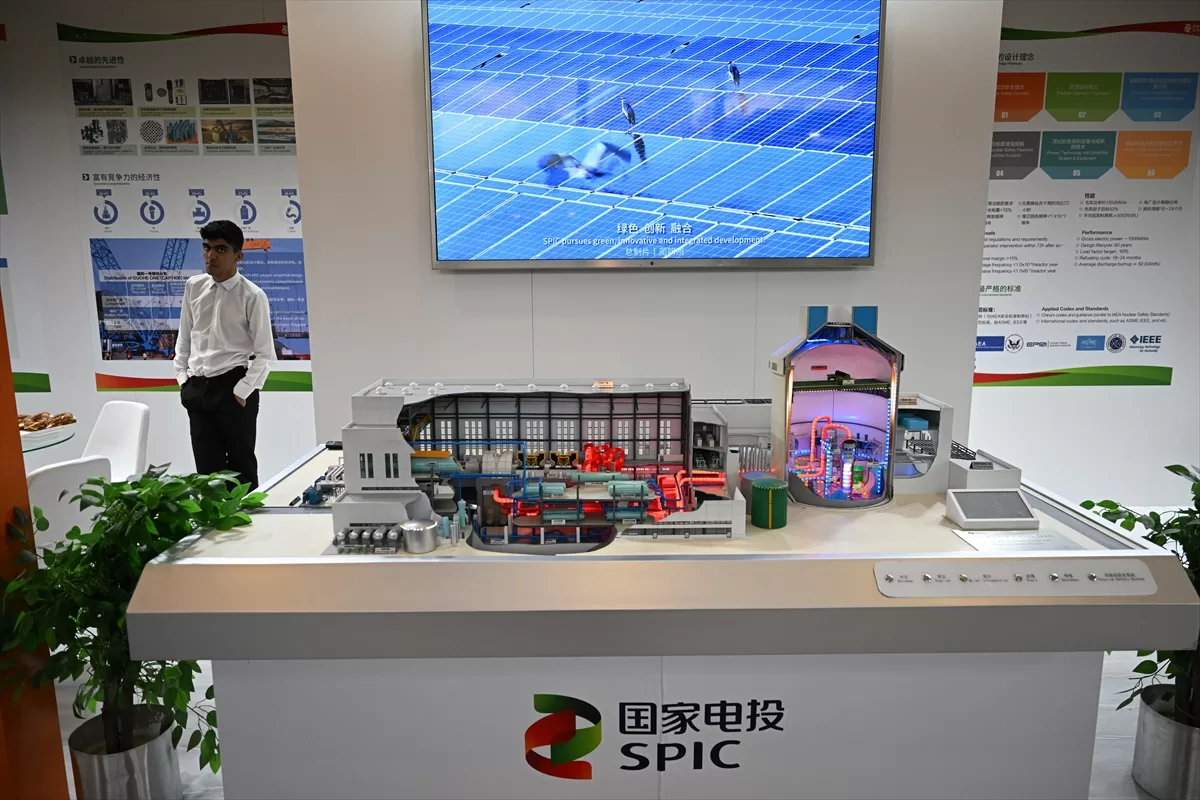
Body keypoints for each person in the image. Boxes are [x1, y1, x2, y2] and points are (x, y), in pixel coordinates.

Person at [174, 220, 274, 489]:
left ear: (238, 255)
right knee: (207, 471)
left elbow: (264, 353)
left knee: (242, 469)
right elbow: (185, 337)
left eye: (220, 249)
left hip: (232, 387)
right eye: (207, 248)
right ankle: (214, 519)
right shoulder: (194, 287)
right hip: (197, 387)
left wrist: (242, 391)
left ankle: (247, 517)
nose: (211, 255)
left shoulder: (252, 295)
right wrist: (183, 379)